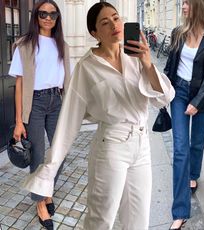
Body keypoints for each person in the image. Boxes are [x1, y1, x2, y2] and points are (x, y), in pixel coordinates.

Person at [23, 2, 175, 230]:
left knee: (139, 220)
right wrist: (50, 168)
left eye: (116, 18)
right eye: (105, 22)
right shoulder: (87, 67)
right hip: (111, 146)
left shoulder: (135, 55)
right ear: (94, 33)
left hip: (142, 146)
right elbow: (69, 119)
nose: (114, 24)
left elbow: (164, 98)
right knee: (101, 219)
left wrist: (147, 63)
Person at [8, 0, 71, 229]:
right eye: (43, 13)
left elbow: (68, 81)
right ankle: (41, 202)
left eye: (52, 14)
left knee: (59, 152)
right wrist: (18, 121)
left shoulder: (62, 45)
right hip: (34, 103)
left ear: (57, 18)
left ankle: (46, 189)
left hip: (57, 101)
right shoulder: (25, 45)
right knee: (37, 155)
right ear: (36, 16)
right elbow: (19, 83)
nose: (48, 18)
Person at [164, 0, 204, 229]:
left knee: (197, 143)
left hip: (203, 96)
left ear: (199, 5)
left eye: (187, 2)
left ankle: (193, 174)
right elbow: (170, 66)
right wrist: (163, 90)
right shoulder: (178, 33)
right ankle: (180, 211)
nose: (184, 6)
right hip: (178, 92)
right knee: (181, 148)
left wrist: (197, 102)